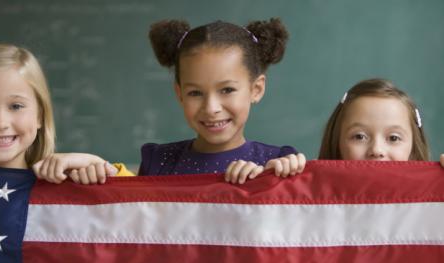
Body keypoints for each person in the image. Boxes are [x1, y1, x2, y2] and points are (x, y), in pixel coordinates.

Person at [141, 18, 304, 181]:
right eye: (195, 93)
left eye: (227, 90)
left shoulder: (276, 164)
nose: (211, 108)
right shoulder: (157, 163)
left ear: (256, 89)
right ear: (179, 93)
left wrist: (275, 178)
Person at [0, 44, 130, 182]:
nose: (1, 123)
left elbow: (142, 208)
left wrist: (99, 165)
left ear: (40, 116)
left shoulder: (68, 184)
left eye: (16, 106)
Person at [268, 78, 444, 175]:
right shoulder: (309, 196)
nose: (376, 150)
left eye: (393, 138)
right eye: (359, 136)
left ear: (413, 149)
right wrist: (274, 179)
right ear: (337, 143)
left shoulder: (429, 205)